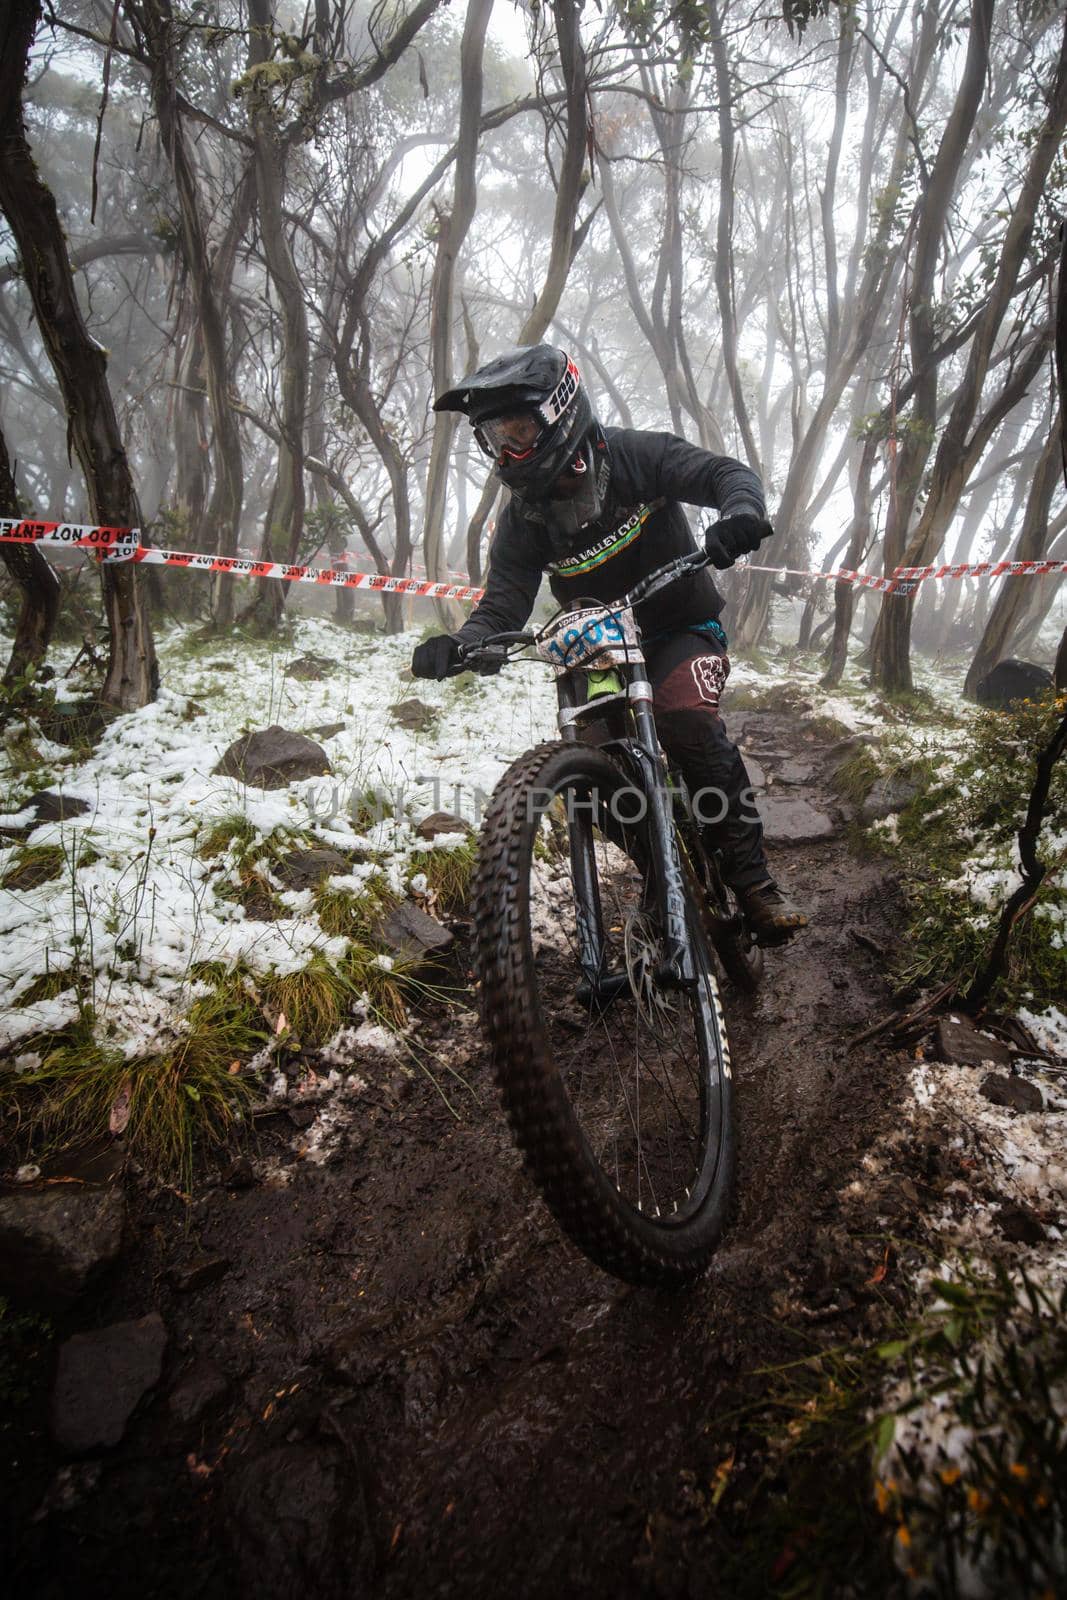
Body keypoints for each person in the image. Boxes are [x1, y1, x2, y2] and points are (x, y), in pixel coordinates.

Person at [411, 344, 807, 945]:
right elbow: (504, 599)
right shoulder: (524, 517)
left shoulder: (636, 456)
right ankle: (662, 872)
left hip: (680, 628)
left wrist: (740, 513)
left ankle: (753, 885)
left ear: (560, 409)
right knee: (593, 780)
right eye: (495, 438)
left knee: (687, 722)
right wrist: (465, 644)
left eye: (519, 430)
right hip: (597, 649)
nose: (509, 451)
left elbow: (723, 474)